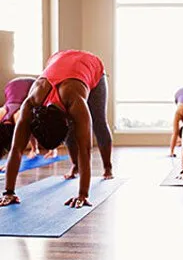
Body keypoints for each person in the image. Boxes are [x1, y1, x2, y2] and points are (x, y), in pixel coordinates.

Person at [0, 49, 113, 209]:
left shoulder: (76, 101)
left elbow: (85, 150)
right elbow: (16, 148)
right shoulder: (31, 102)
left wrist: (83, 194)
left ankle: (108, 167)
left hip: (90, 65)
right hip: (59, 60)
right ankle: (75, 166)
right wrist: (8, 192)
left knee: (99, 122)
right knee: (74, 134)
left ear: (66, 121)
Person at [0, 77, 57, 166]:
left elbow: (18, 145)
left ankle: (50, 150)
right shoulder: (2, 113)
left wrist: (9, 163)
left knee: (33, 122)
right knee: (27, 122)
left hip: (34, 85)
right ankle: (35, 149)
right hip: (12, 86)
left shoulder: (19, 116)